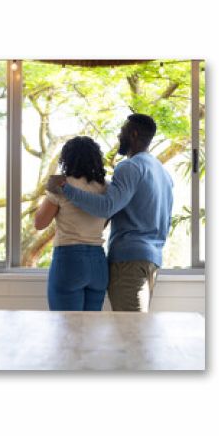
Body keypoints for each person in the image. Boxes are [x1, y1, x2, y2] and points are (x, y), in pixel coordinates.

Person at [48, 114, 173, 312]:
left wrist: (65, 188)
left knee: (131, 330)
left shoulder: (130, 167)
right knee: (135, 328)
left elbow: (107, 207)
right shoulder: (163, 173)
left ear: (133, 134)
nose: (118, 135)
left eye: (122, 131)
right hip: (152, 260)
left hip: (128, 260)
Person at [34, 136, 109, 311]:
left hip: (69, 260)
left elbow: (40, 223)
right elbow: (104, 221)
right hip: (98, 262)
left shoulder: (60, 183)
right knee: (90, 328)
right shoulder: (106, 187)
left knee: (66, 330)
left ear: (66, 159)